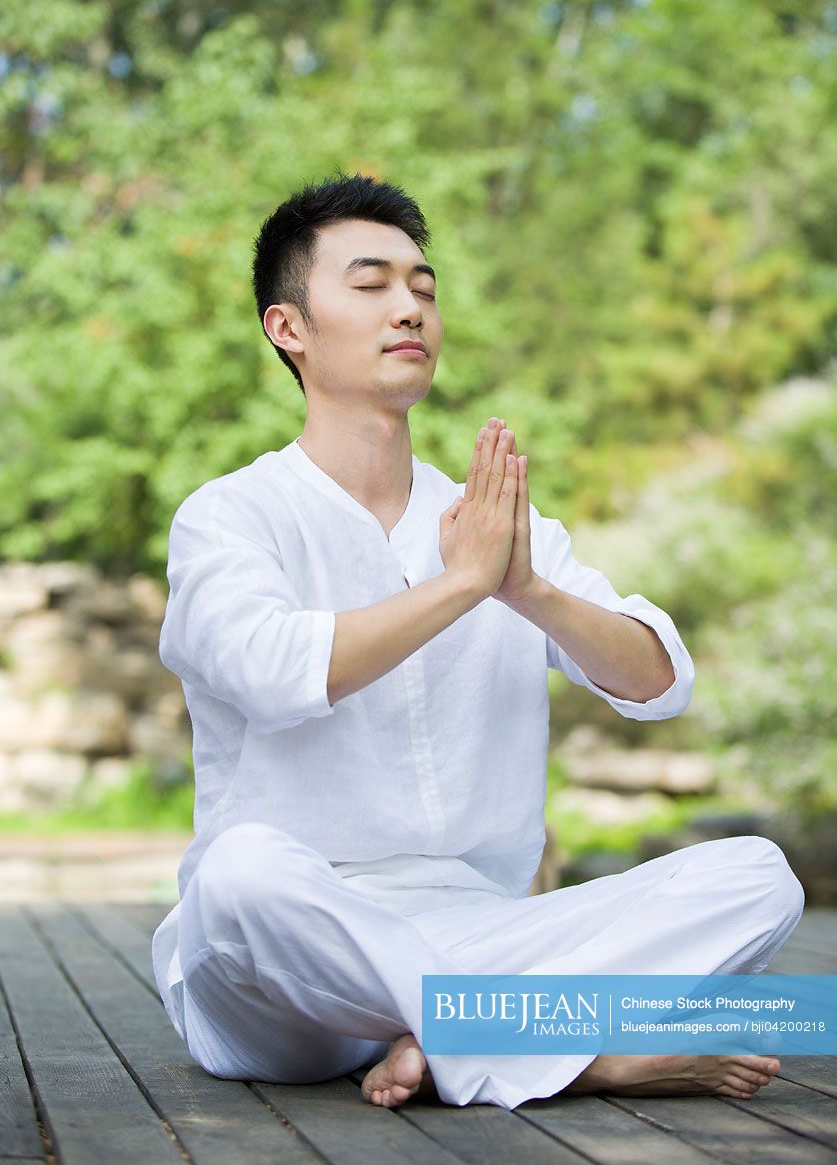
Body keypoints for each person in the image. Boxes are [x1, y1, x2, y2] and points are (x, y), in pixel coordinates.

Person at [151, 171, 804, 1110]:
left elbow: (659, 679)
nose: (408, 307)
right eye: (370, 285)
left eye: (422, 286)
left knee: (757, 875)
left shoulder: (492, 525)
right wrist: (462, 586)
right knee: (241, 875)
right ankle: (564, 1045)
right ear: (287, 327)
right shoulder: (228, 518)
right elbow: (272, 670)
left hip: (476, 930)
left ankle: (459, 1032)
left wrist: (526, 588)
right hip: (285, 972)